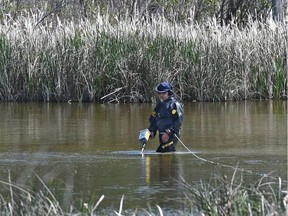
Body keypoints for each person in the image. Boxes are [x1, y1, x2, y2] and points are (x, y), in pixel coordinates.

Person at [148, 82, 183, 153]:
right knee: (165, 155)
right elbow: (153, 118)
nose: (161, 95)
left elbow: (178, 120)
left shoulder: (175, 104)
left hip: (172, 135)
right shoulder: (159, 105)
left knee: (163, 153)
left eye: (163, 93)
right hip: (161, 134)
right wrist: (152, 131)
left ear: (168, 92)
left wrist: (168, 133)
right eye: (159, 93)